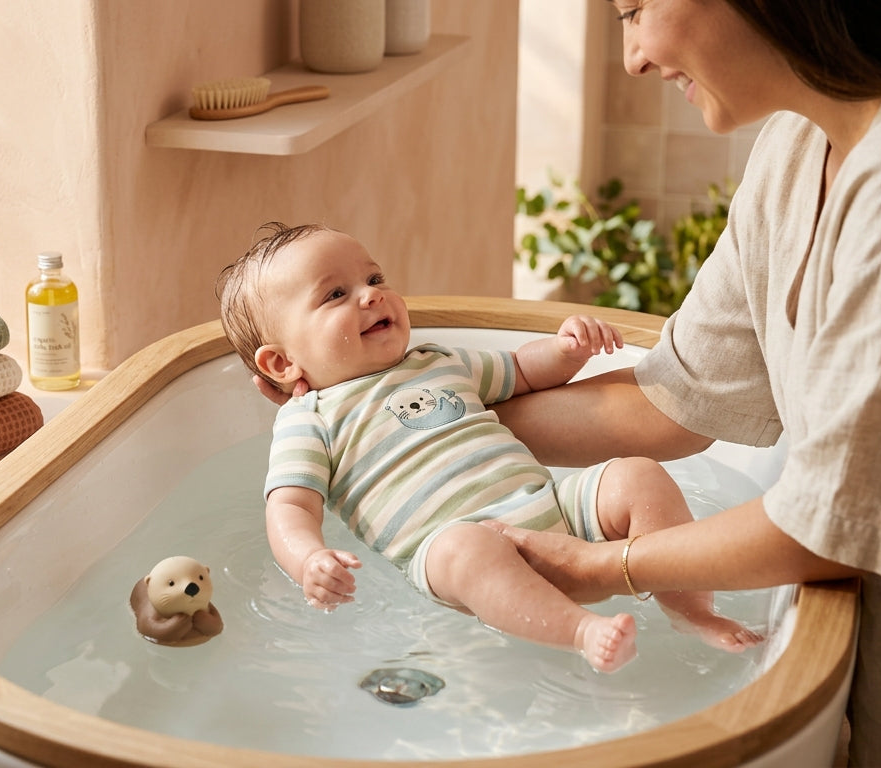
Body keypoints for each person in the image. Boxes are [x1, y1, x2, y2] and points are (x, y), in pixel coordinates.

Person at [467, 1, 881, 765]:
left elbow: (833, 523)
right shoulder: (800, 143)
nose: (633, 56)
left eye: (636, 9)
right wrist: (414, 419)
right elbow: (671, 400)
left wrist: (606, 567)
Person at [217, 222, 763, 673]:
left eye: (374, 277)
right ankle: (581, 631)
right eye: (336, 294)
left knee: (636, 477)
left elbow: (519, 371)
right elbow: (288, 505)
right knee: (465, 548)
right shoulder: (307, 418)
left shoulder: (435, 360)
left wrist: (567, 350)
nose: (372, 294)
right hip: (454, 548)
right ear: (281, 364)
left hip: (552, 510)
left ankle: (692, 610)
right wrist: (308, 558)